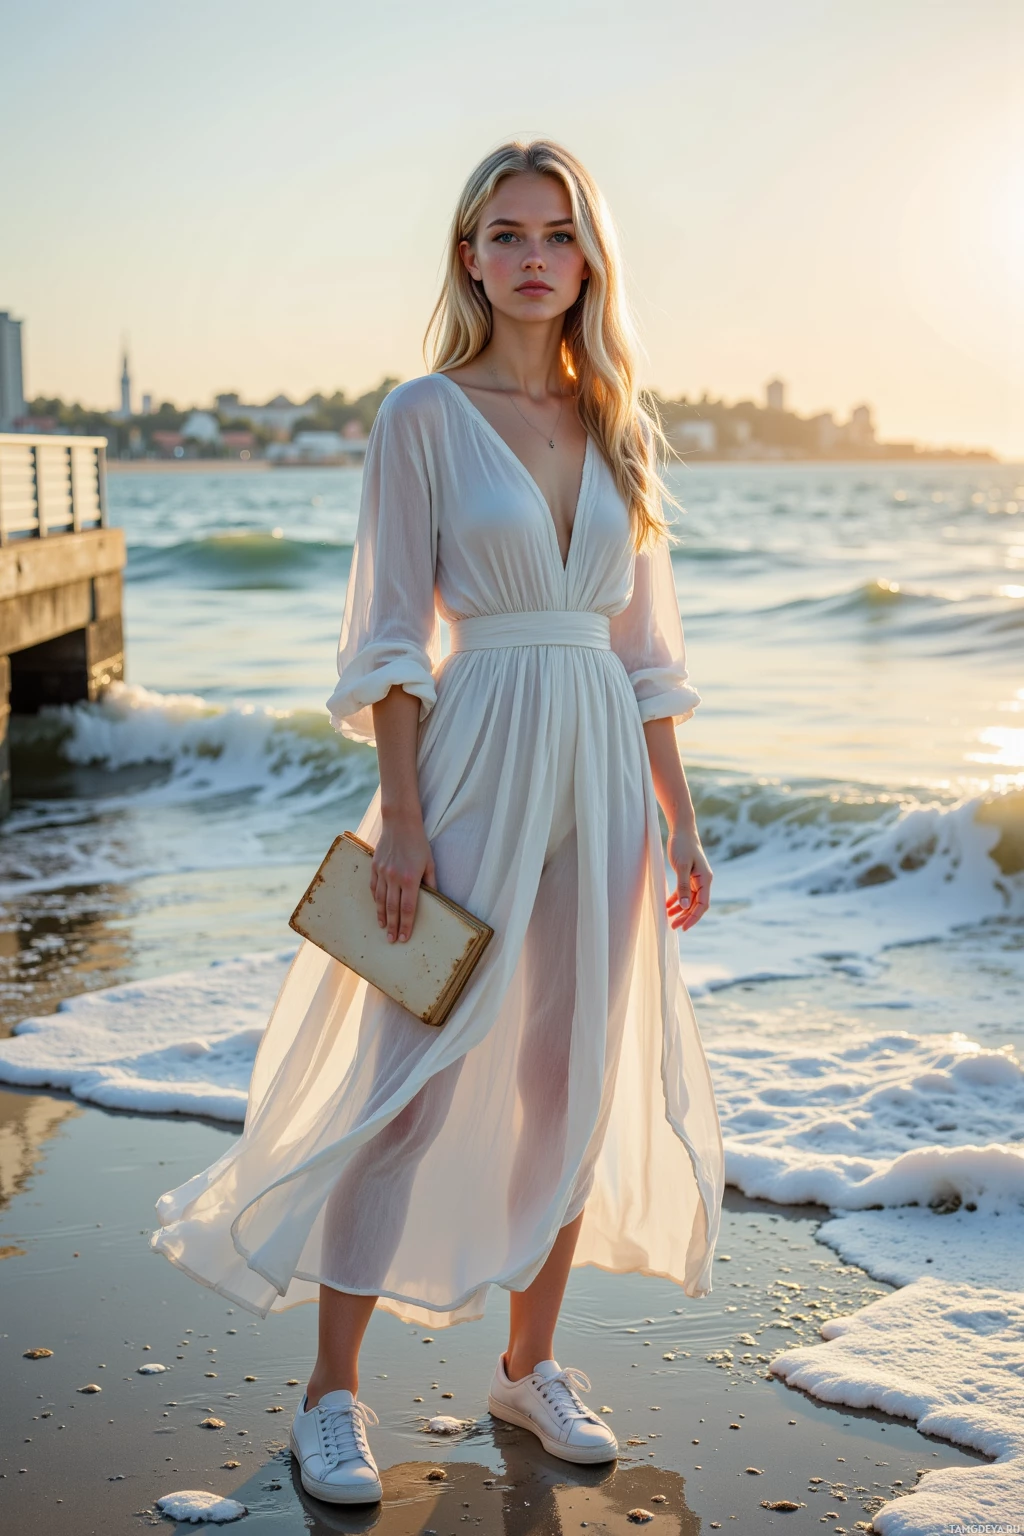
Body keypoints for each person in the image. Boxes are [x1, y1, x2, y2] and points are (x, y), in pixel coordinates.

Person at [152, 138, 724, 1507]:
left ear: (589, 258)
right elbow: (392, 640)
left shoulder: (621, 421)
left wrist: (682, 819)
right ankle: (331, 1394)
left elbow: (647, 656)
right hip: (472, 764)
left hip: (601, 768)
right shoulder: (422, 414)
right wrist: (400, 819)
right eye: (506, 234)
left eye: (558, 234)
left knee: (567, 1081)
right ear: (469, 256)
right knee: (406, 1084)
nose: (534, 258)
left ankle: (530, 1366)